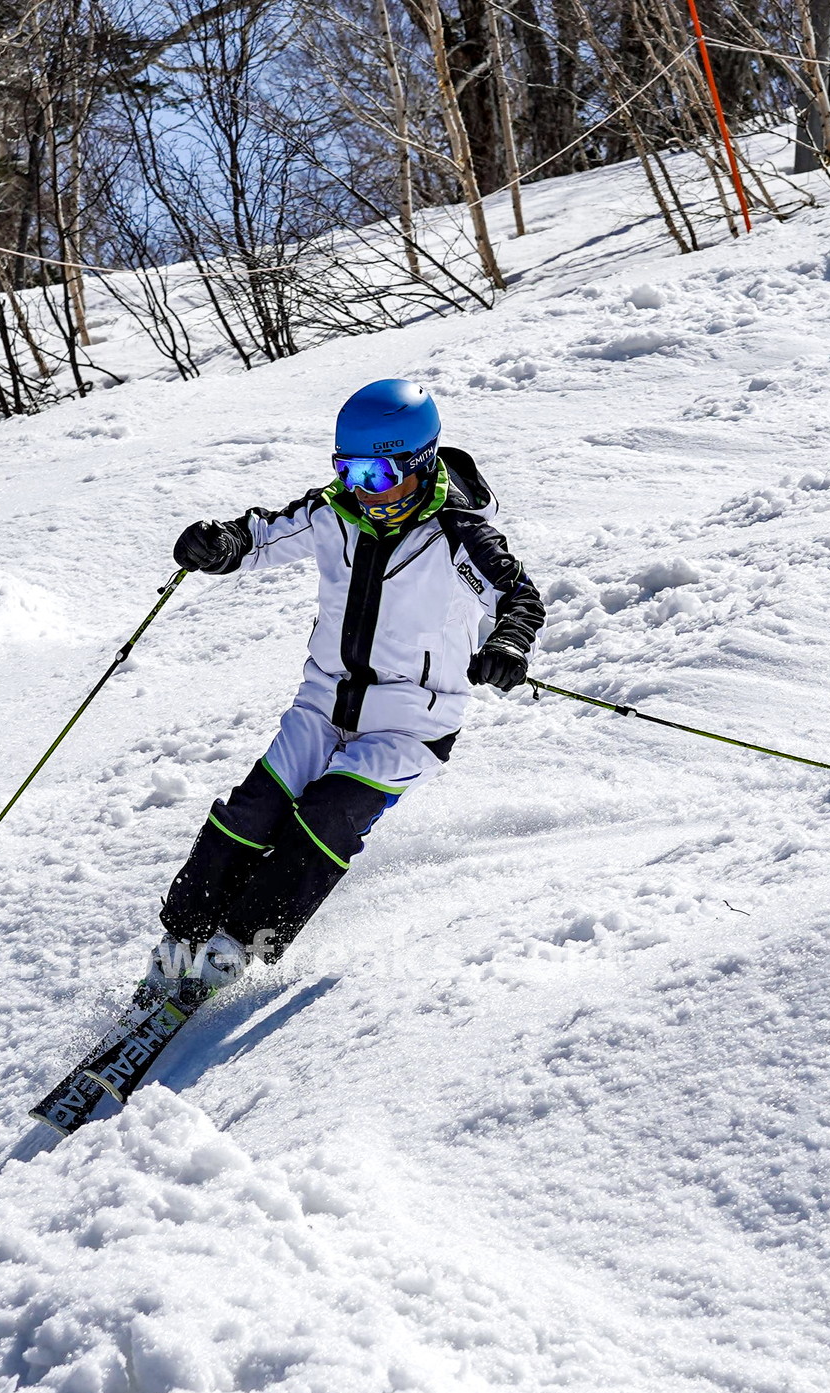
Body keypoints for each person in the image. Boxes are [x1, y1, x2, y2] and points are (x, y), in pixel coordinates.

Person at [142, 377, 545, 1001]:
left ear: (420, 464)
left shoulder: (460, 534)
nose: (364, 490)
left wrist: (507, 645)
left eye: (378, 475)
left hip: (410, 722)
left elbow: (518, 596)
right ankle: (182, 938)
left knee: (326, 819)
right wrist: (218, 545)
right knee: (251, 813)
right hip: (323, 705)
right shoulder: (336, 512)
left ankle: (246, 942)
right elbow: (261, 536)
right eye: (349, 471)